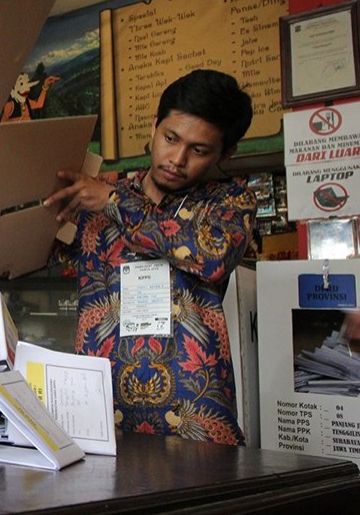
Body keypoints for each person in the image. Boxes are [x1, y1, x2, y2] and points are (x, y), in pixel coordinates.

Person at [43, 69, 256, 445]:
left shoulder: (229, 203)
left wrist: (113, 203)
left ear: (227, 152)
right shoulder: (97, 197)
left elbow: (212, 256)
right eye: (170, 138)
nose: (177, 158)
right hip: (100, 416)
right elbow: (40, 256)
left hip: (196, 419)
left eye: (199, 150)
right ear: (155, 125)